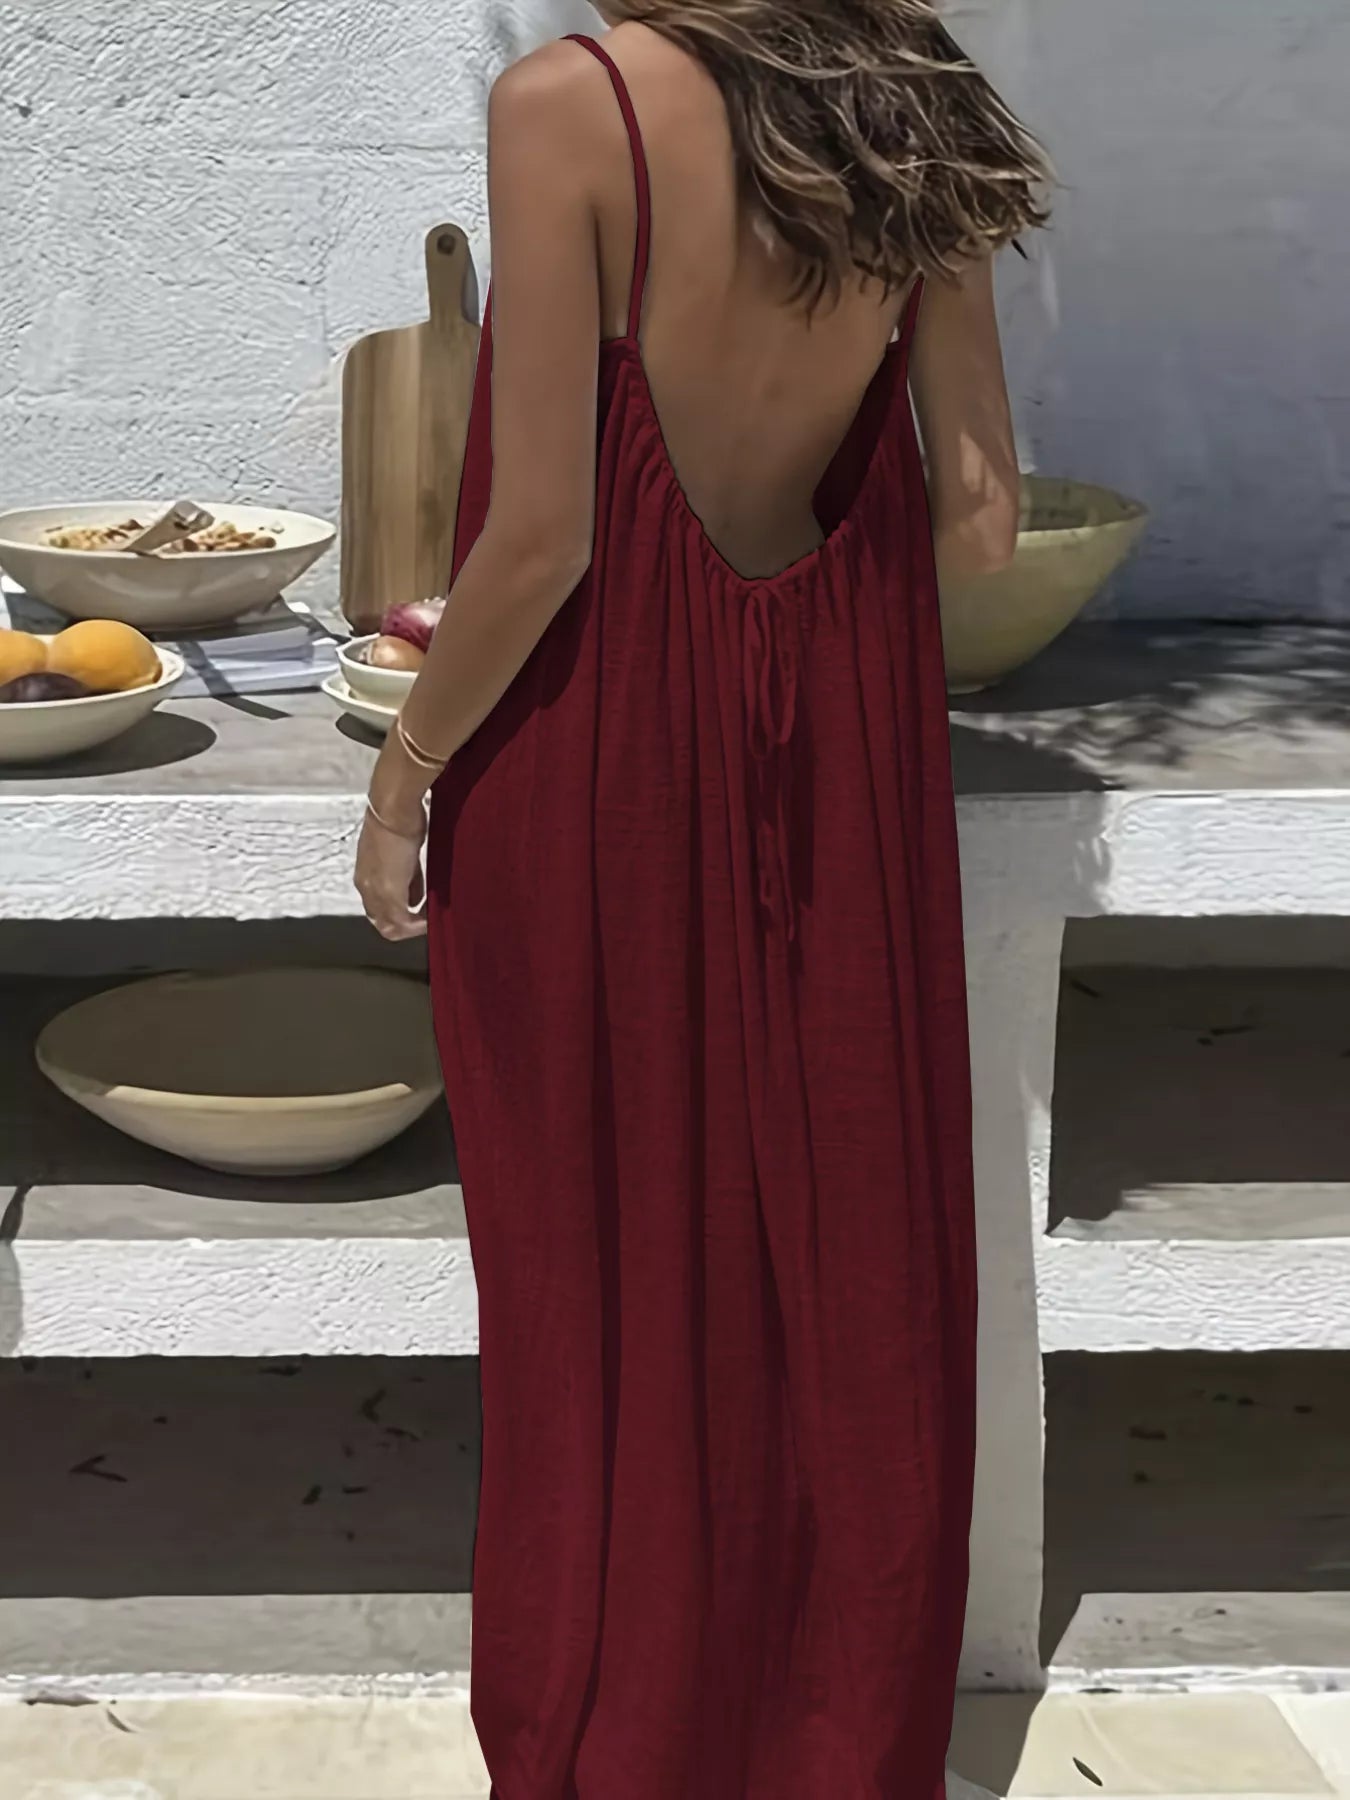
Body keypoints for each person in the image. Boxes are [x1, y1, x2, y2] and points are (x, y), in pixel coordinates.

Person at [355, 4, 1051, 1793]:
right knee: (838, 1242)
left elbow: (542, 544)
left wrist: (408, 767)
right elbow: (979, 519)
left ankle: (627, 1725)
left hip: (597, 770)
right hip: (837, 764)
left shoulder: (568, 101)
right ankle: (822, 1725)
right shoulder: (914, 87)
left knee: (595, 1263)